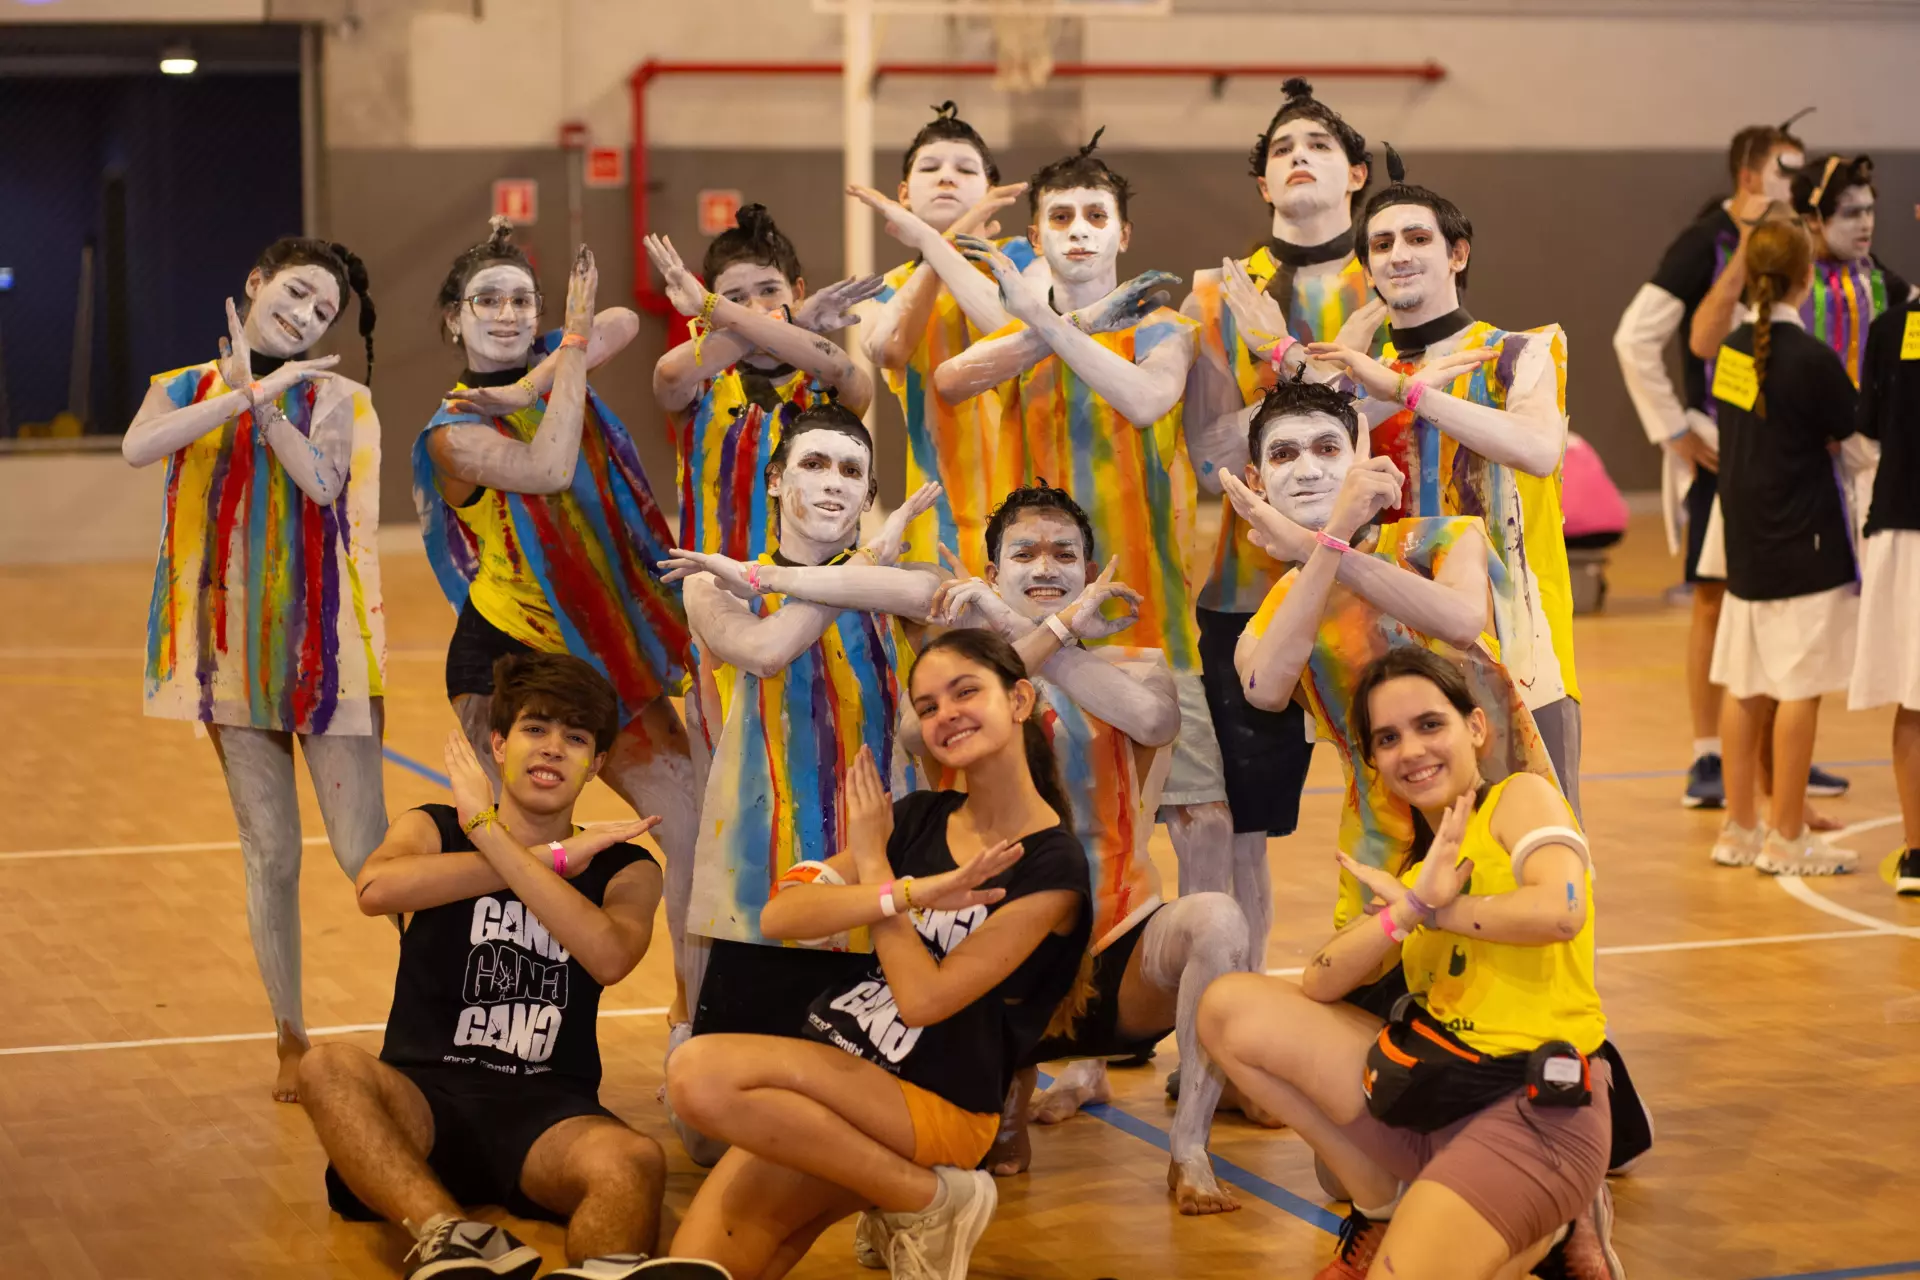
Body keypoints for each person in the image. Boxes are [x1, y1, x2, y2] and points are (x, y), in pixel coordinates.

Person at [1226, 379, 1652, 1179]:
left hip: (1496, 820)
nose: (1308, 468)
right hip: (1382, 842)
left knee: (1518, 1003)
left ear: (1363, 456)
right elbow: (1266, 685)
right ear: (1256, 481)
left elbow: (1457, 621)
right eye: (1283, 454)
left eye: (1328, 447)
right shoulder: (1279, 605)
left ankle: (1581, 1107)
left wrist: (1330, 545)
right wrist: (1329, 544)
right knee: (1343, 1163)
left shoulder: (1441, 538)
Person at [664, 631, 1092, 1280]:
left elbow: (923, 1000)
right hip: (838, 1077)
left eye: (966, 692)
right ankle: (903, 1197)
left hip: (934, 1101)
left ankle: (926, 1199)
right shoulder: (920, 817)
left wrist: (875, 870)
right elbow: (782, 914)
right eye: (928, 706)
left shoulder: (1052, 866)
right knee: (701, 1268)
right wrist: (903, 890)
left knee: (699, 1074)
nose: (946, 714)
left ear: (1020, 700)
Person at [1199, 646, 1622, 1280]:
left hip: (1533, 1113)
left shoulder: (1520, 798)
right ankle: (1383, 1206)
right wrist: (1409, 909)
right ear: (1375, 762)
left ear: (1475, 728)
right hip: (1437, 1096)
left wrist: (1440, 911)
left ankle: (1551, 1229)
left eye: (1430, 725)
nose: (1412, 750)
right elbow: (1320, 980)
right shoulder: (1419, 873)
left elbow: (1562, 911)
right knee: (1229, 1008)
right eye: (1389, 738)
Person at [302, 653, 724, 1280]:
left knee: (634, 1160)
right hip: (425, 1098)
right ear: (498, 744)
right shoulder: (435, 827)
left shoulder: (624, 867)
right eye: (535, 728)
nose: (553, 747)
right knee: (327, 1068)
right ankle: (450, 1239)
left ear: (597, 765)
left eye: (575, 738)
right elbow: (375, 890)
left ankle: (604, 1272)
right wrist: (550, 857)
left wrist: (494, 833)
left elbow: (609, 955)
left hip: (548, 1110)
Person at [935, 133, 1246, 961]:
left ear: (1123, 233)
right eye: (1062, 217)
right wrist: (1064, 323)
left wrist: (1057, 323)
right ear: (1035, 235)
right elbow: (952, 380)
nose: (1079, 230)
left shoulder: (1163, 326)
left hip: (1152, 617)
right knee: (1044, 822)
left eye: (1096, 216)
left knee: (1203, 818)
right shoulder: (1011, 332)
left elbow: (1145, 401)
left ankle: (1209, 1006)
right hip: (1030, 622)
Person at [915, 483, 1251, 1214]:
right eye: (1024, 554)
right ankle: (1006, 1087)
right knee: (988, 1160)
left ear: (1092, 574)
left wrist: (1044, 629)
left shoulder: (1137, 666)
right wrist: (1042, 630)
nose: (1045, 566)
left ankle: (1189, 1149)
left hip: (1117, 953)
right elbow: (919, 738)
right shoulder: (954, 680)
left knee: (1218, 919)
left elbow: (1154, 723)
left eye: (1064, 554)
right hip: (998, 964)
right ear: (991, 571)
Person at [412, 222, 702, 1040]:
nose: (507, 314)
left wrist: (541, 370)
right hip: (510, 663)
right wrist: (559, 358)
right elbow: (548, 467)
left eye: (521, 300)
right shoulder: (452, 431)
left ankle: (692, 1021)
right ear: (453, 320)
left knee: (692, 824)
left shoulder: (552, 358)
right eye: (487, 301)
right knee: (512, 859)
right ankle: (472, 1031)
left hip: (603, 651)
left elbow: (622, 320)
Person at [121, 235, 386, 1103]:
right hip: (227, 660)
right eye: (297, 292)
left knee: (366, 855)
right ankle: (290, 1036)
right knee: (270, 852)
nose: (306, 315)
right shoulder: (181, 386)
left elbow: (322, 484)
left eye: (324, 310)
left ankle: (438, 1015)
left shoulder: (338, 396)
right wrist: (238, 392)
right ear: (256, 282)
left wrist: (265, 404)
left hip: (328, 658)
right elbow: (139, 448)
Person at [660, 403, 937, 1162]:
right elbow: (768, 649)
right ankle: (687, 1031)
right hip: (761, 872)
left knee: (878, 1120)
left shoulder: (895, 583)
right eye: (814, 464)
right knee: (709, 1142)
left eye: (851, 471)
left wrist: (869, 568)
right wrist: (859, 564)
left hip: (872, 866)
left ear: (869, 492)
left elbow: (927, 610)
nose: (833, 482)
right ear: (776, 480)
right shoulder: (714, 585)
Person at [1174, 77, 1388, 955]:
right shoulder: (1219, 294)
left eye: (1319, 145)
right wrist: (1314, 376)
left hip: (1380, 583)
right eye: (1282, 149)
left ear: (1356, 173)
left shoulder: (1395, 274)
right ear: (1263, 182)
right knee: (1242, 821)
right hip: (1245, 589)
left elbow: (1406, 421)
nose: (1300, 157)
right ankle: (1236, 1002)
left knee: (1402, 793)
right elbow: (1210, 453)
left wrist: (1289, 372)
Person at [1306, 160, 1585, 818]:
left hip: (1519, 648)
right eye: (1382, 244)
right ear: (1367, 270)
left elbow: (1537, 449)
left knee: (1537, 842)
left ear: (1457, 254)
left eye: (1417, 238)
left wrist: (1409, 392)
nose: (1399, 254)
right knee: (1412, 857)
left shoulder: (1520, 353)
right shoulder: (1353, 380)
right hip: (1392, 656)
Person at [1613, 119, 1807, 809]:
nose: (1796, 184)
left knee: (1789, 599)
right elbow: (1634, 337)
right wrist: (1674, 428)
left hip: (1787, 449)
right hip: (1721, 446)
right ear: (1750, 176)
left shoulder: (1799, 239)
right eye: (1785, 170)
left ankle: (1781, 754)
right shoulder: (1706, 242)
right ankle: (1707, 755)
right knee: (1713, 597)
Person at [1705, 218, 1864, 876]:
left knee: (1745, 685)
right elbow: (1859, 446)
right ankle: (1787, 835)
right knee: (1798, 689)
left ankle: (1740, 827)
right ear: (1807, 278)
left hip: (1745, 540)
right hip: (1805, 541)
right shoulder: (1813, 360)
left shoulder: (1732, 349)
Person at [849, 101, 1035, 573]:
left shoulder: (1024, 261)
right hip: (934, 521)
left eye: (965, 169)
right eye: (931, 168)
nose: (947, 178)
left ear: (990, 191)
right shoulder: (886, 289)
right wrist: (952, 237)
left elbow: (1019, 328)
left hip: (1033, 507)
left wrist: (937, 241)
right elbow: (890, 348)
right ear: (904, 194)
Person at [646, 205, 882, 564]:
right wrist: (788, 318)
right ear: (711, 313)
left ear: (798, 290)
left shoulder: (826, 389)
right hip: (716, 593)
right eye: (735, 299)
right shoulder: (702, 386)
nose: (754, 308)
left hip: (815, 594)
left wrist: (730, 313)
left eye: (769, 290)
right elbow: (668, 374)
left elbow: (846, 374)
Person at [1852, 285, 1920, 896]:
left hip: (1901, 528)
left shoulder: (1891, 327)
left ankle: (1917, 854)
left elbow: (1867, 427)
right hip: (1902, 525)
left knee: (1914, 695)